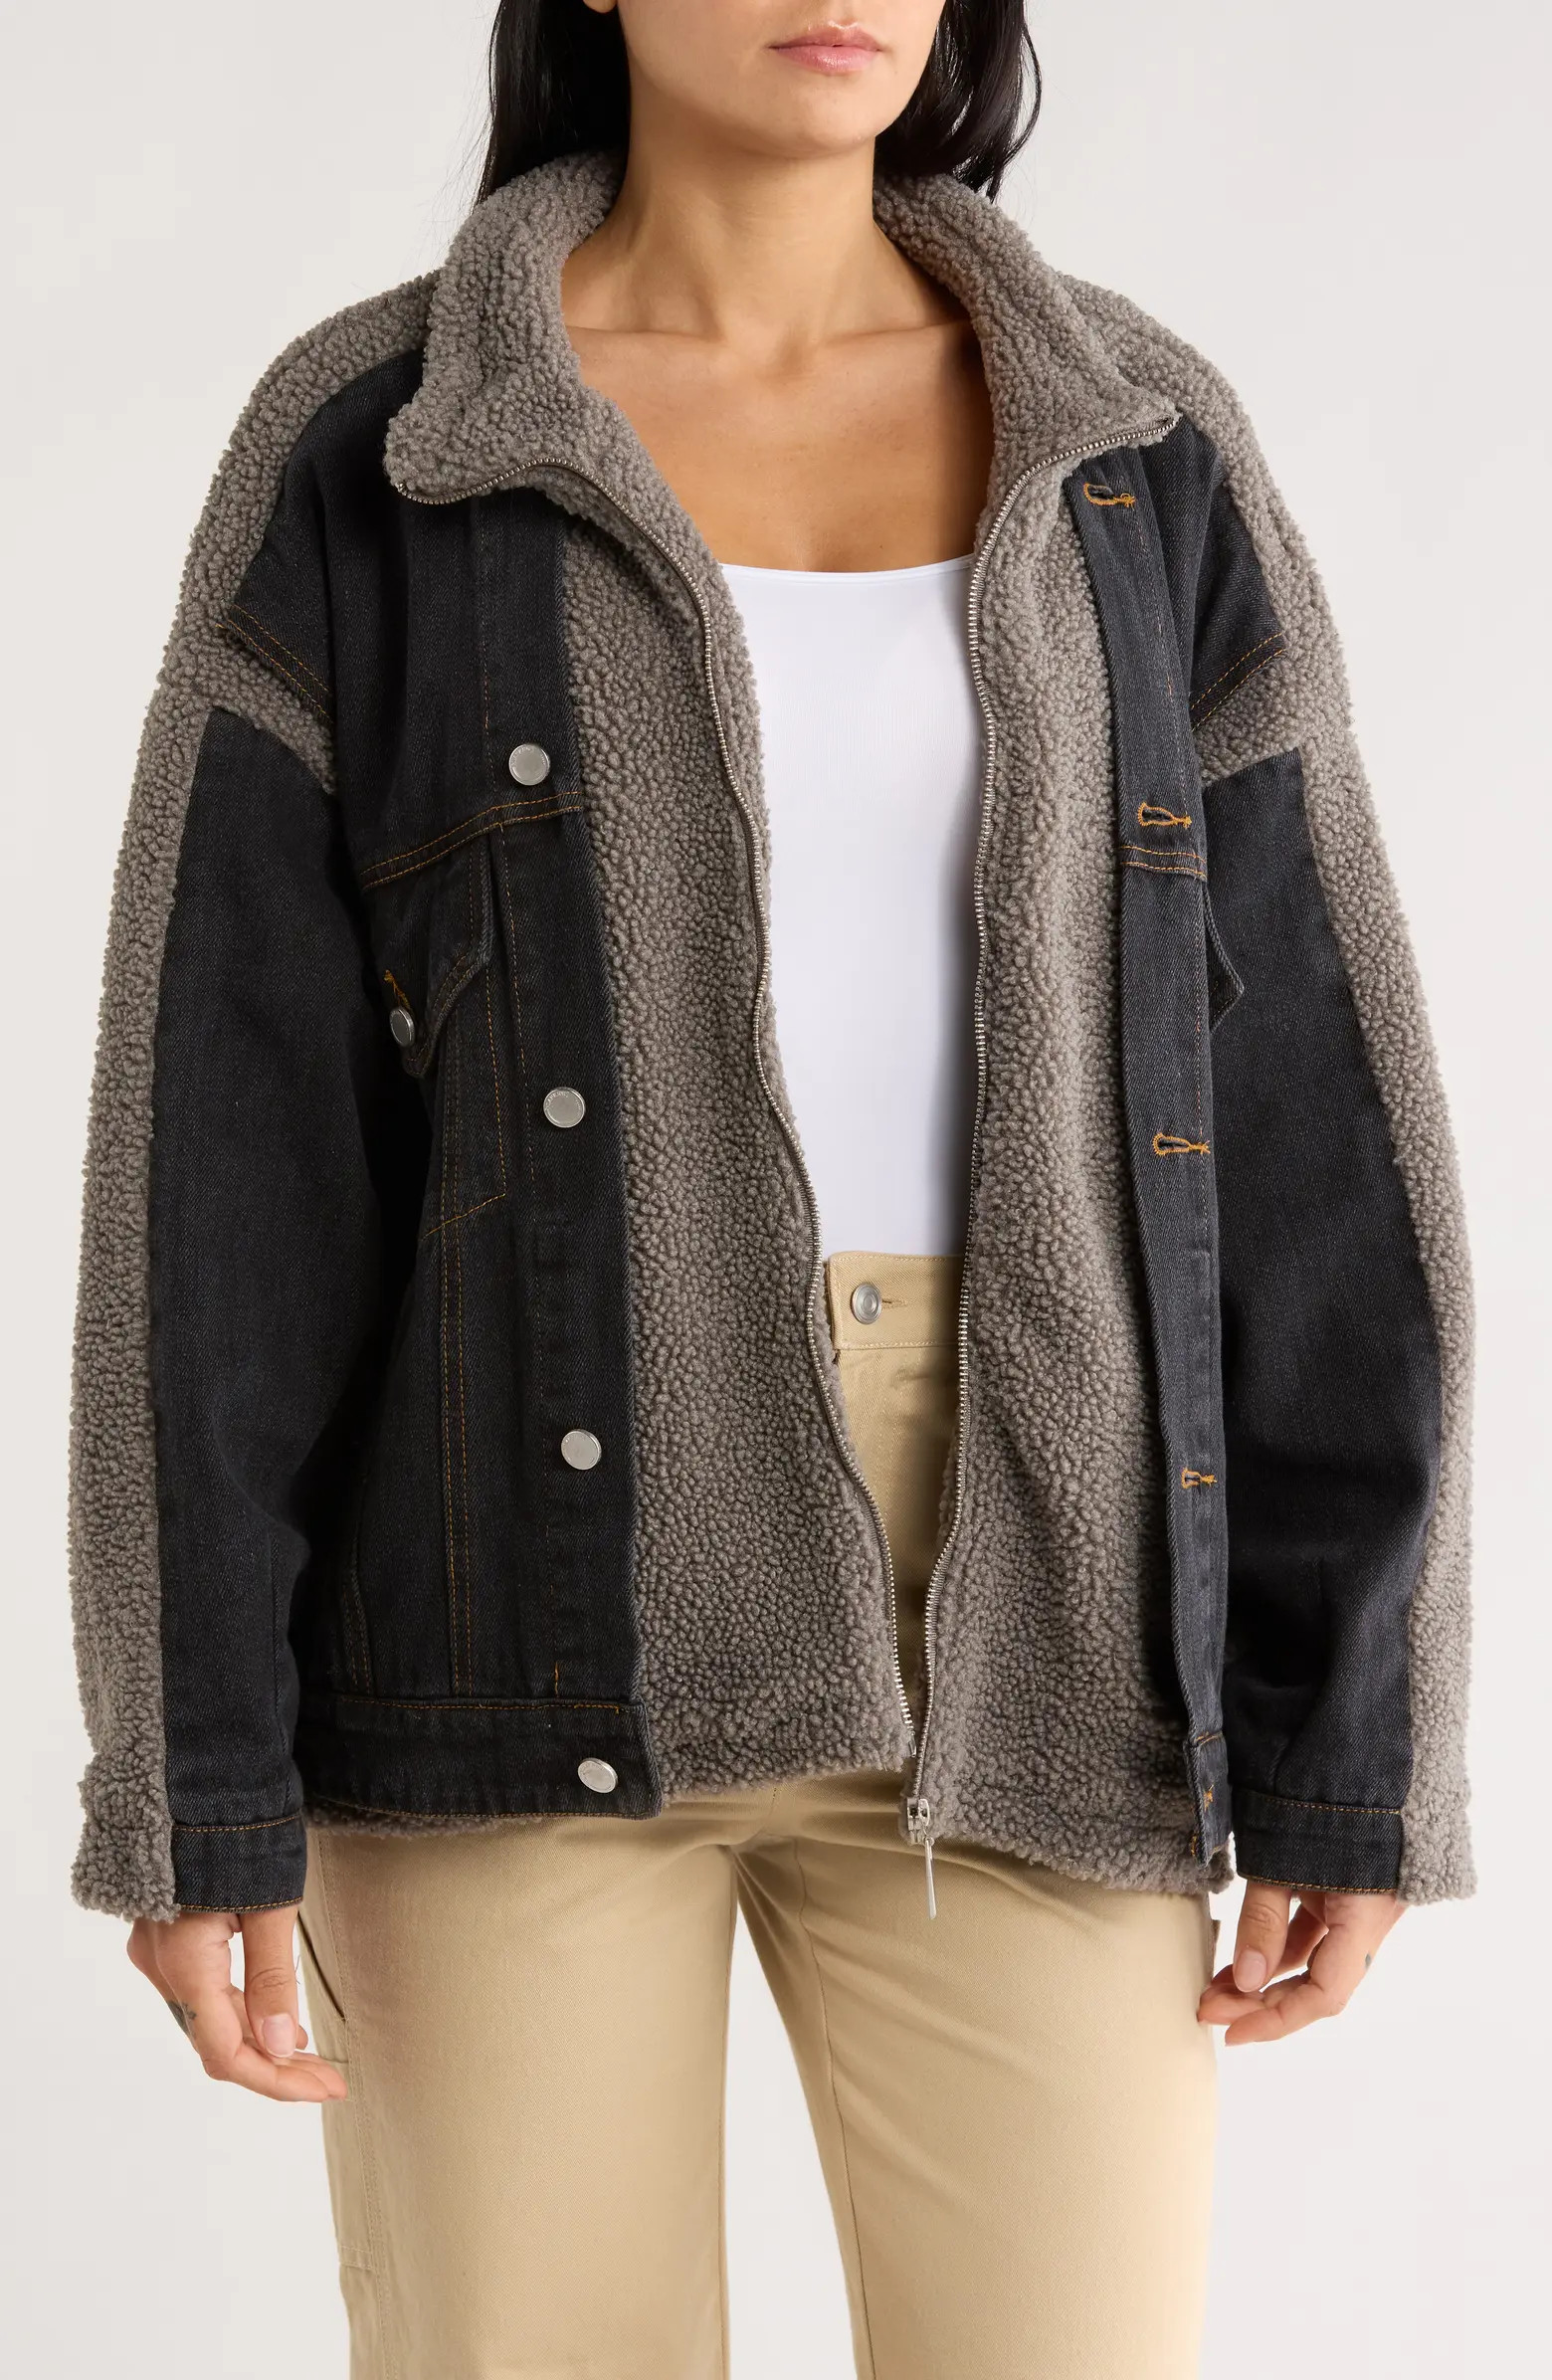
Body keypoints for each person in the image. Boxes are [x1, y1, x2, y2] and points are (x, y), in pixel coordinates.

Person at [68, 3, 1474, 2373]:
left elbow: (1324, 1108)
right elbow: (216, 1162)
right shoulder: (385, 442)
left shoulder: (1136, 442)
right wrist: (192, 1764)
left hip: (1042, 1620)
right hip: (499, 1610)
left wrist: (1355, 1722)